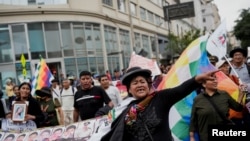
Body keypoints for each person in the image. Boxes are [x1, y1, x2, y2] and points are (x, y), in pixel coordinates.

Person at [101, 66, 218, 141]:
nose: (140, 85)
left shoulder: (161, 98)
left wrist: (198, 79)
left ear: (148, 85)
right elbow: (117, 134)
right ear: (130, 90)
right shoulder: (125, 110)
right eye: (135, 83)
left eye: (142, 81)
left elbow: (181, 89)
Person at [189, 73, 244, 141]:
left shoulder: (224, 94)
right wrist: (192, 137)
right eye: (211, 80)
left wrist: (241, 94)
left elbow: (238, 108)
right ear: (204, 84)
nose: (215, 81)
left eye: (215, 78)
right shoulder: (197, 99)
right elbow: (193, 120)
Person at [229, 47, 250, 126]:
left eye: (239, 55)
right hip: (235, 100)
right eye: (235, 55)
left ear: (243, 57)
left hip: (248, 100)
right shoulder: (229, 69)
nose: (237, 57)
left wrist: (247, 86)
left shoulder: (248, 68)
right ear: (233, 57)